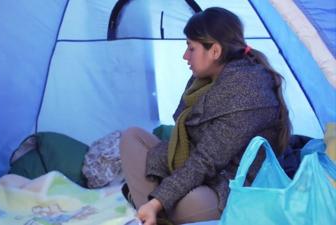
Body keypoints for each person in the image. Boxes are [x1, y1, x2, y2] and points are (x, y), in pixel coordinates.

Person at [119, 7, 291, 225]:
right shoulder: (205, 80)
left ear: (215, 51)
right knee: (132, 137)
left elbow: (205, 161)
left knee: (185, 204)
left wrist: (157, 202)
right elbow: (188, 141)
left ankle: (149, 207)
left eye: (191, 48)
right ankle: (151, 208)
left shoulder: (246, 93)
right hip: (204, 170)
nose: (185, 56)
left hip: (232, 186)